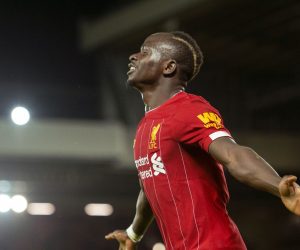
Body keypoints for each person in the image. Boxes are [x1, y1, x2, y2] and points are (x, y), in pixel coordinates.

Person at [105, 31, 300, 250]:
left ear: (168, 67)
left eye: (145, 52)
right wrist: (134, 234)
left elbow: (233, 155)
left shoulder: (189, 109)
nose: (133, 56)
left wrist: (280, 188)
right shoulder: (144, 126)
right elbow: (149, 187)